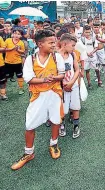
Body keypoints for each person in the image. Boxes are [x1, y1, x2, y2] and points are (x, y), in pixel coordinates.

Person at [11, 30, 65, 170]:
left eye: (54, 42)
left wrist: (55, 78)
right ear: (40, 44)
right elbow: (29, 79)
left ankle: (53, 144)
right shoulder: (31, 59)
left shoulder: (56, 57)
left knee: (56, 120)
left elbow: (62, 74)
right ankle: (29, 153)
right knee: (29, 125)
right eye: (51, 42)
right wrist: (44, 79)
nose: (54, 45)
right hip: (38, 96)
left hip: (54, 94)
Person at [57, 34, 81, 138]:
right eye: (72, 45)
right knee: (62, 109)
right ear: (65, 44)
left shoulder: (72, 55)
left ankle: (76, 126)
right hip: (60, 87)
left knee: (75, 106)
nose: (74, 48)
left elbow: (77, 70)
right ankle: (61, 125)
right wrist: (63, 85)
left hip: (73, 85)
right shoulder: (55, 56)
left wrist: (71, 83)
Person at [4, 28, 26, 94]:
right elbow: (4, 49)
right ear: (12, 34)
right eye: (15, 33)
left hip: (17, 62)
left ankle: (21, 89)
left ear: (21, 36)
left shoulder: (21, 43)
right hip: (8, 62)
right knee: (5, 77)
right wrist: (11, 49)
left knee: (19, 76)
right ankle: (3, 92)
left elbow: (23, 52)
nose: (16, 35)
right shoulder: (8, 40)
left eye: (18, 34)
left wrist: (18, 50)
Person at [0, 36, 7, 100]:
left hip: (0, 63)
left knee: (2, 80)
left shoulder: (0, 38)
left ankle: (3, 94)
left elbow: (4, 48)